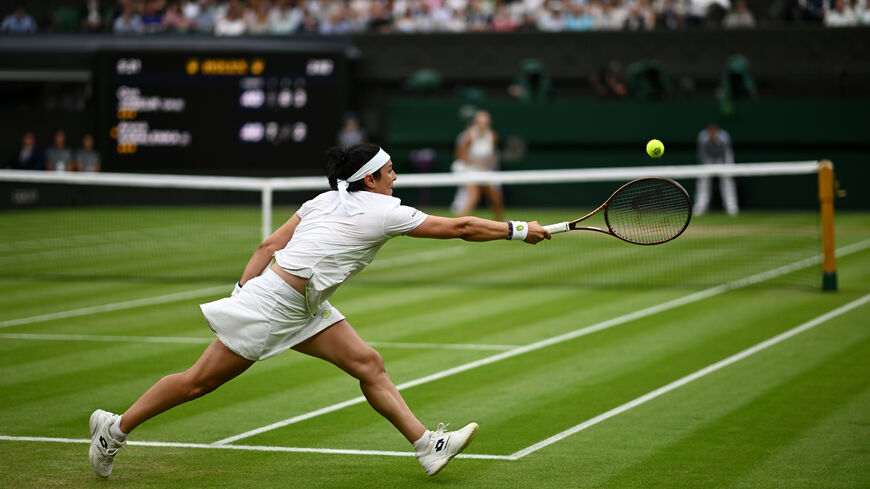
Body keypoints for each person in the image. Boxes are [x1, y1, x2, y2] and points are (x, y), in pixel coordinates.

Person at [87, 143, 550, 479]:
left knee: (368, 364)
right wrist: (517, 229)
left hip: (302, 304)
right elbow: (463, 225)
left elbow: (269, 245)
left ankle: (427, 445)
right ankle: (115, 430)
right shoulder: (383, 211)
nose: (396, 178)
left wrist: (241, 288)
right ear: (370, 179)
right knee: (198, 382)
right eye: (390, 172)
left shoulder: (324, 200)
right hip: (275, 305)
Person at [452, 110, 504, 221]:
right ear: (476, 122)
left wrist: (487, 163)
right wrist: (475, 163)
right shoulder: (468, 135)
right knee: (474, 197)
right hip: (466, 169)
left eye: (485, 121)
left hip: (483, 170)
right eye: (481, 121)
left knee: (496, 197)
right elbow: (459, 155)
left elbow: (493, 155)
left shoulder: (492, 135)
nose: (483, 124)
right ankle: (457, 224)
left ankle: (502, 225)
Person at [693, 123, 738, 216]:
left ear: (717, 131)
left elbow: (726, 154)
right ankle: (700, 207)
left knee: (727, 183)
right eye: (711, 132)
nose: (712, 133)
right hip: (708, 160)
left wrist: (726, 169)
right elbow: (701, 154)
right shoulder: (702, 137)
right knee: (703, 183)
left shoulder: (724, 137)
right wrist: (704, 167)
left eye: (714, 131)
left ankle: (732, 208)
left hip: (723, 160)